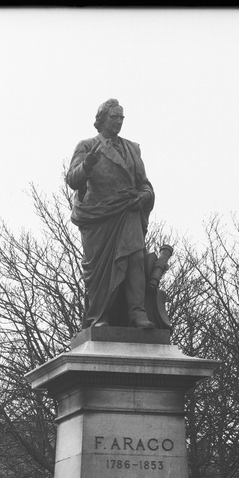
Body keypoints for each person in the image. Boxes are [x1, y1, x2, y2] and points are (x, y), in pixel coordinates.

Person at [66, 99, 155, 329]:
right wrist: (87, 164)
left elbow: (144, 184)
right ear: (102, 119)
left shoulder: (133, 148)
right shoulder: (87, 146)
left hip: (128, 210)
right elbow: (73, 180)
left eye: (121, 117)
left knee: (135, 258)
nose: (118, 121)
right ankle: (100, 315)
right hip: (99, 217)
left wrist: (144, 196)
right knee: (100, 270)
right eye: (114, 117)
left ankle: (137, 313)